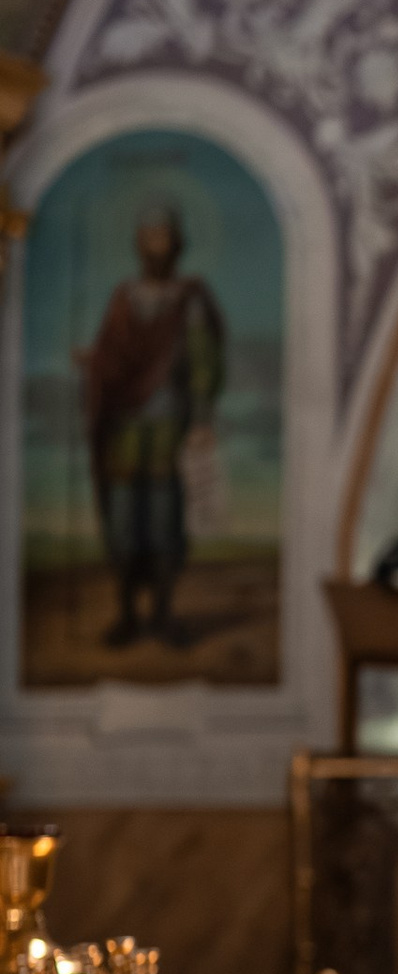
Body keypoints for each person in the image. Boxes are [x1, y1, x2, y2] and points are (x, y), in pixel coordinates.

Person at [79, 199, 225, 648]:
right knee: (123, 524)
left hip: (167, 432)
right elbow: (113, 355)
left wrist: (201, 418)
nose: (155, 247)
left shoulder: (190, 300)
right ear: (138, 246)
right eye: (147, 239)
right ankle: (127, 616)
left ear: (176, 244)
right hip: (123, 432)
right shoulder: (124, 299)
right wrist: (95, 364)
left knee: (163, 524)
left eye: (162, 238)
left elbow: (202, 362)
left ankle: (162, 616)